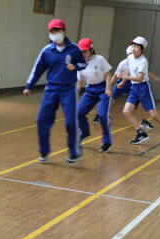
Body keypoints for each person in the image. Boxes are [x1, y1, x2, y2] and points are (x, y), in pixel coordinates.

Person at [23, 18, 86, 163]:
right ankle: (44, 152)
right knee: (41, 120)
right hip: (51, 89)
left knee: (71, 122)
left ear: (64, 31)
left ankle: (74, 151)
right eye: (52, 31)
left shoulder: (74, 49)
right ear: (49, 33)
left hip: (68, 90)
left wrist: (75, 66)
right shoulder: (46, 51)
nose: (55, 33)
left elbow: (84, 63)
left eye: (58, 30)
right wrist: (29, 86)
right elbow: (37, 69)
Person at [118, 36, 160, 147]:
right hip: (134, 88)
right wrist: (123, 81)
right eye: (133, 46)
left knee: (154, 115)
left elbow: (140, 78)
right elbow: (130, 70)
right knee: (126, 111)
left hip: (143, 88)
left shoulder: (143, 61)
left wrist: (125, 77)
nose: (134, 48)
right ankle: (140, 133)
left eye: (136, 46)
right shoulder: (130, 57)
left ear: (142, 49)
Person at [76, 38, 113, 152]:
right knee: (78, 113)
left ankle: (107, 142)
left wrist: (108, 88)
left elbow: (108, 74)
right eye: (80, 51)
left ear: (91, 50)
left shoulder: (100, 59)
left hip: (102, 89)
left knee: (102, 116)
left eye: (85, 51)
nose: (83, 54)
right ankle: (85, 132)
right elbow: (79, 82)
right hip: (90, 90)